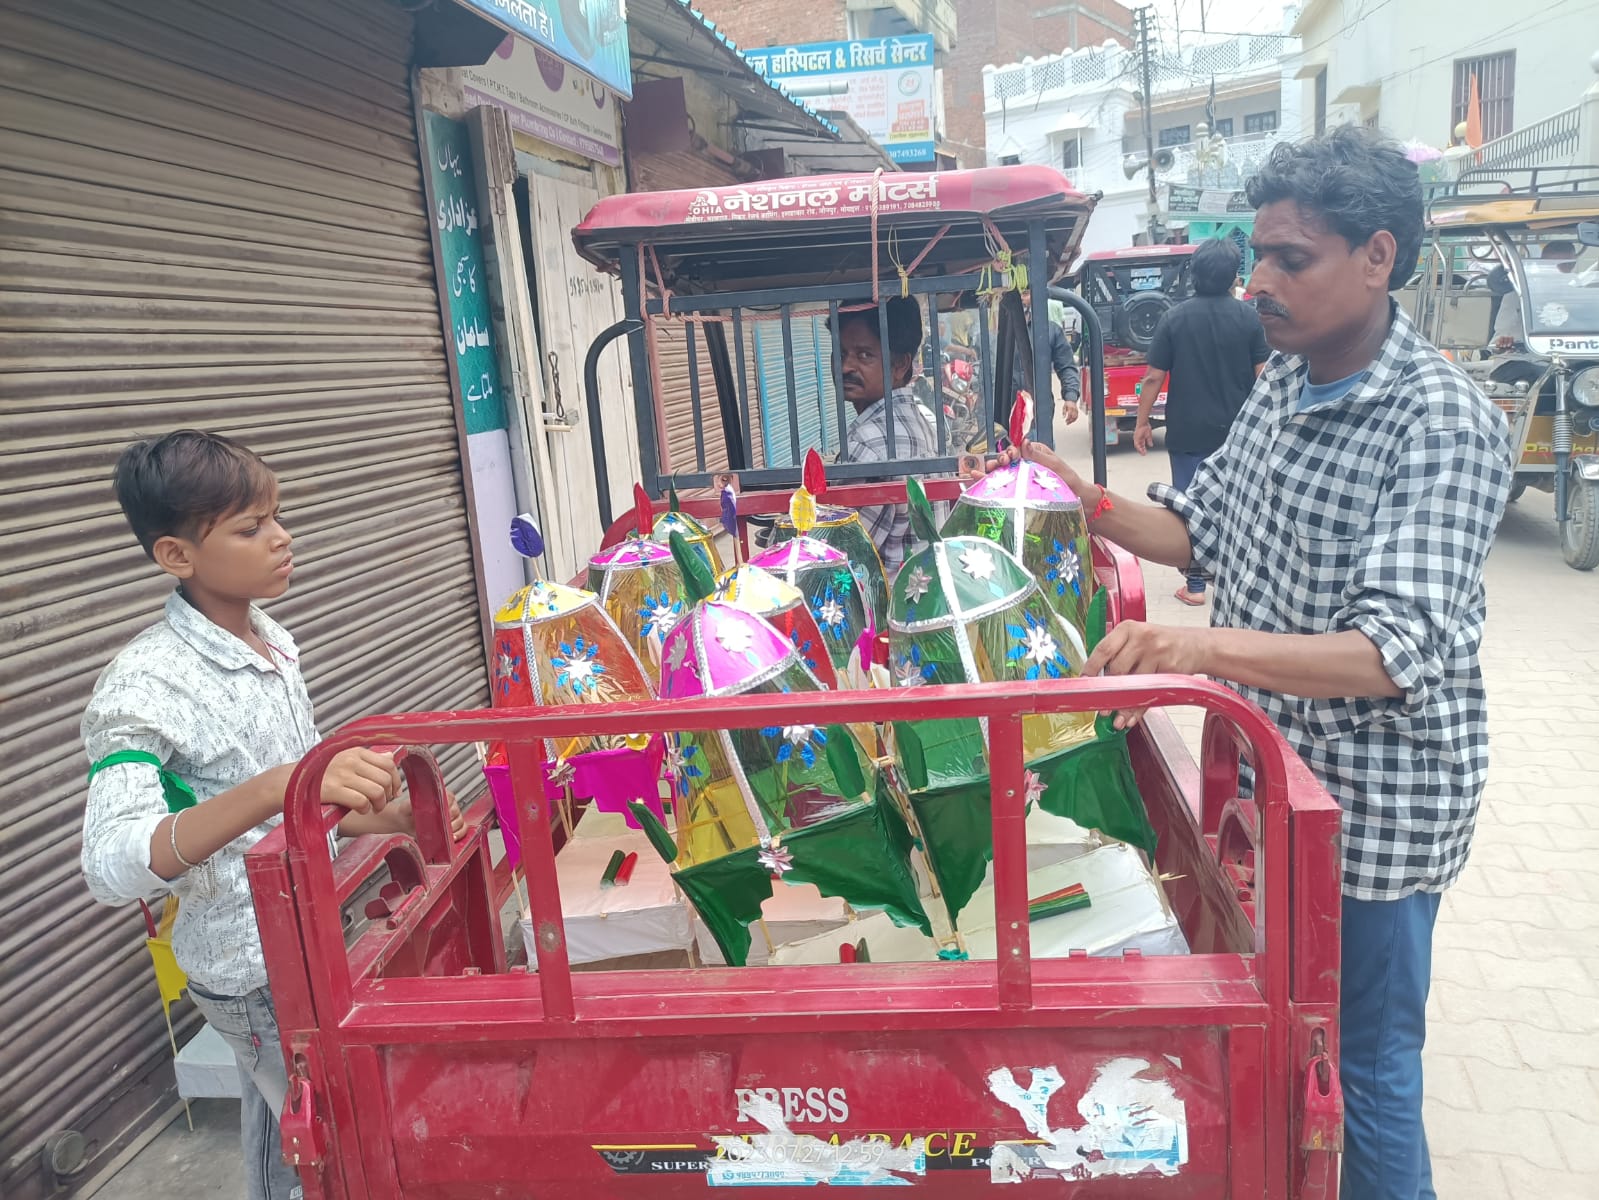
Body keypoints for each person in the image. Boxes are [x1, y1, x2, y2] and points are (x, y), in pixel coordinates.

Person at [974, 127, 1512, 1200]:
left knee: (1362, 1063)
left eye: (1290, 259)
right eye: (1257, 254)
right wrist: (1079, 501)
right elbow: (1198, 531)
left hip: (1374, 806)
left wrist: (1189, 646)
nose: (1260, 280)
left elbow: (1388, 652)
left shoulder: (1439, 422)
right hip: (1272, 780)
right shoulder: (1282, 384)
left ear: (1379, 257)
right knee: (1294, 1039)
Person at [80, 431, 466, 1200]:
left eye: (277, 517)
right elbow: (112, 864)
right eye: (251, 527)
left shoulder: (271, 639)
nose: (282, 537)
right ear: (176, 555)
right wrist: (275, 787)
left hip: (314, 936)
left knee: (286, 1119)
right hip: (254, 970)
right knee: (334, 1142)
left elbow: (302, 811)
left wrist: (386, 817)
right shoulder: (143, 686)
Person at [1132, 237, 1271, 605]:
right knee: (1241, 507)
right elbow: (1264, 376)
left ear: (1194, 274)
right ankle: (1238, 583)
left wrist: (1142, 423)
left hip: (1188, 432)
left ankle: (1195, 587)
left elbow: (1153, 377)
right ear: (1234, 276)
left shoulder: (1173, 319)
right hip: (1241, 436)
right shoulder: (1250, 318)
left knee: (1190, 509)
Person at [834, 298, 940, 573]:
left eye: (864, 355)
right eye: (841, 353)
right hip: (925, 586)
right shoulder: (923, 423)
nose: (846, 367)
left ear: (900, 364)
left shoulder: (867, 442)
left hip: (887, 596)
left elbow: (839, 556)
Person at [1010, 288, 1082, 425]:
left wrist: (1070, 397)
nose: (1020, 299)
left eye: (1025, 293)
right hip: (1003, 413)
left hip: (1038, 411)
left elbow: (1066, 366)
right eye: (1016, 295)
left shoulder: (1050, 331)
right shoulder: (995, 332)